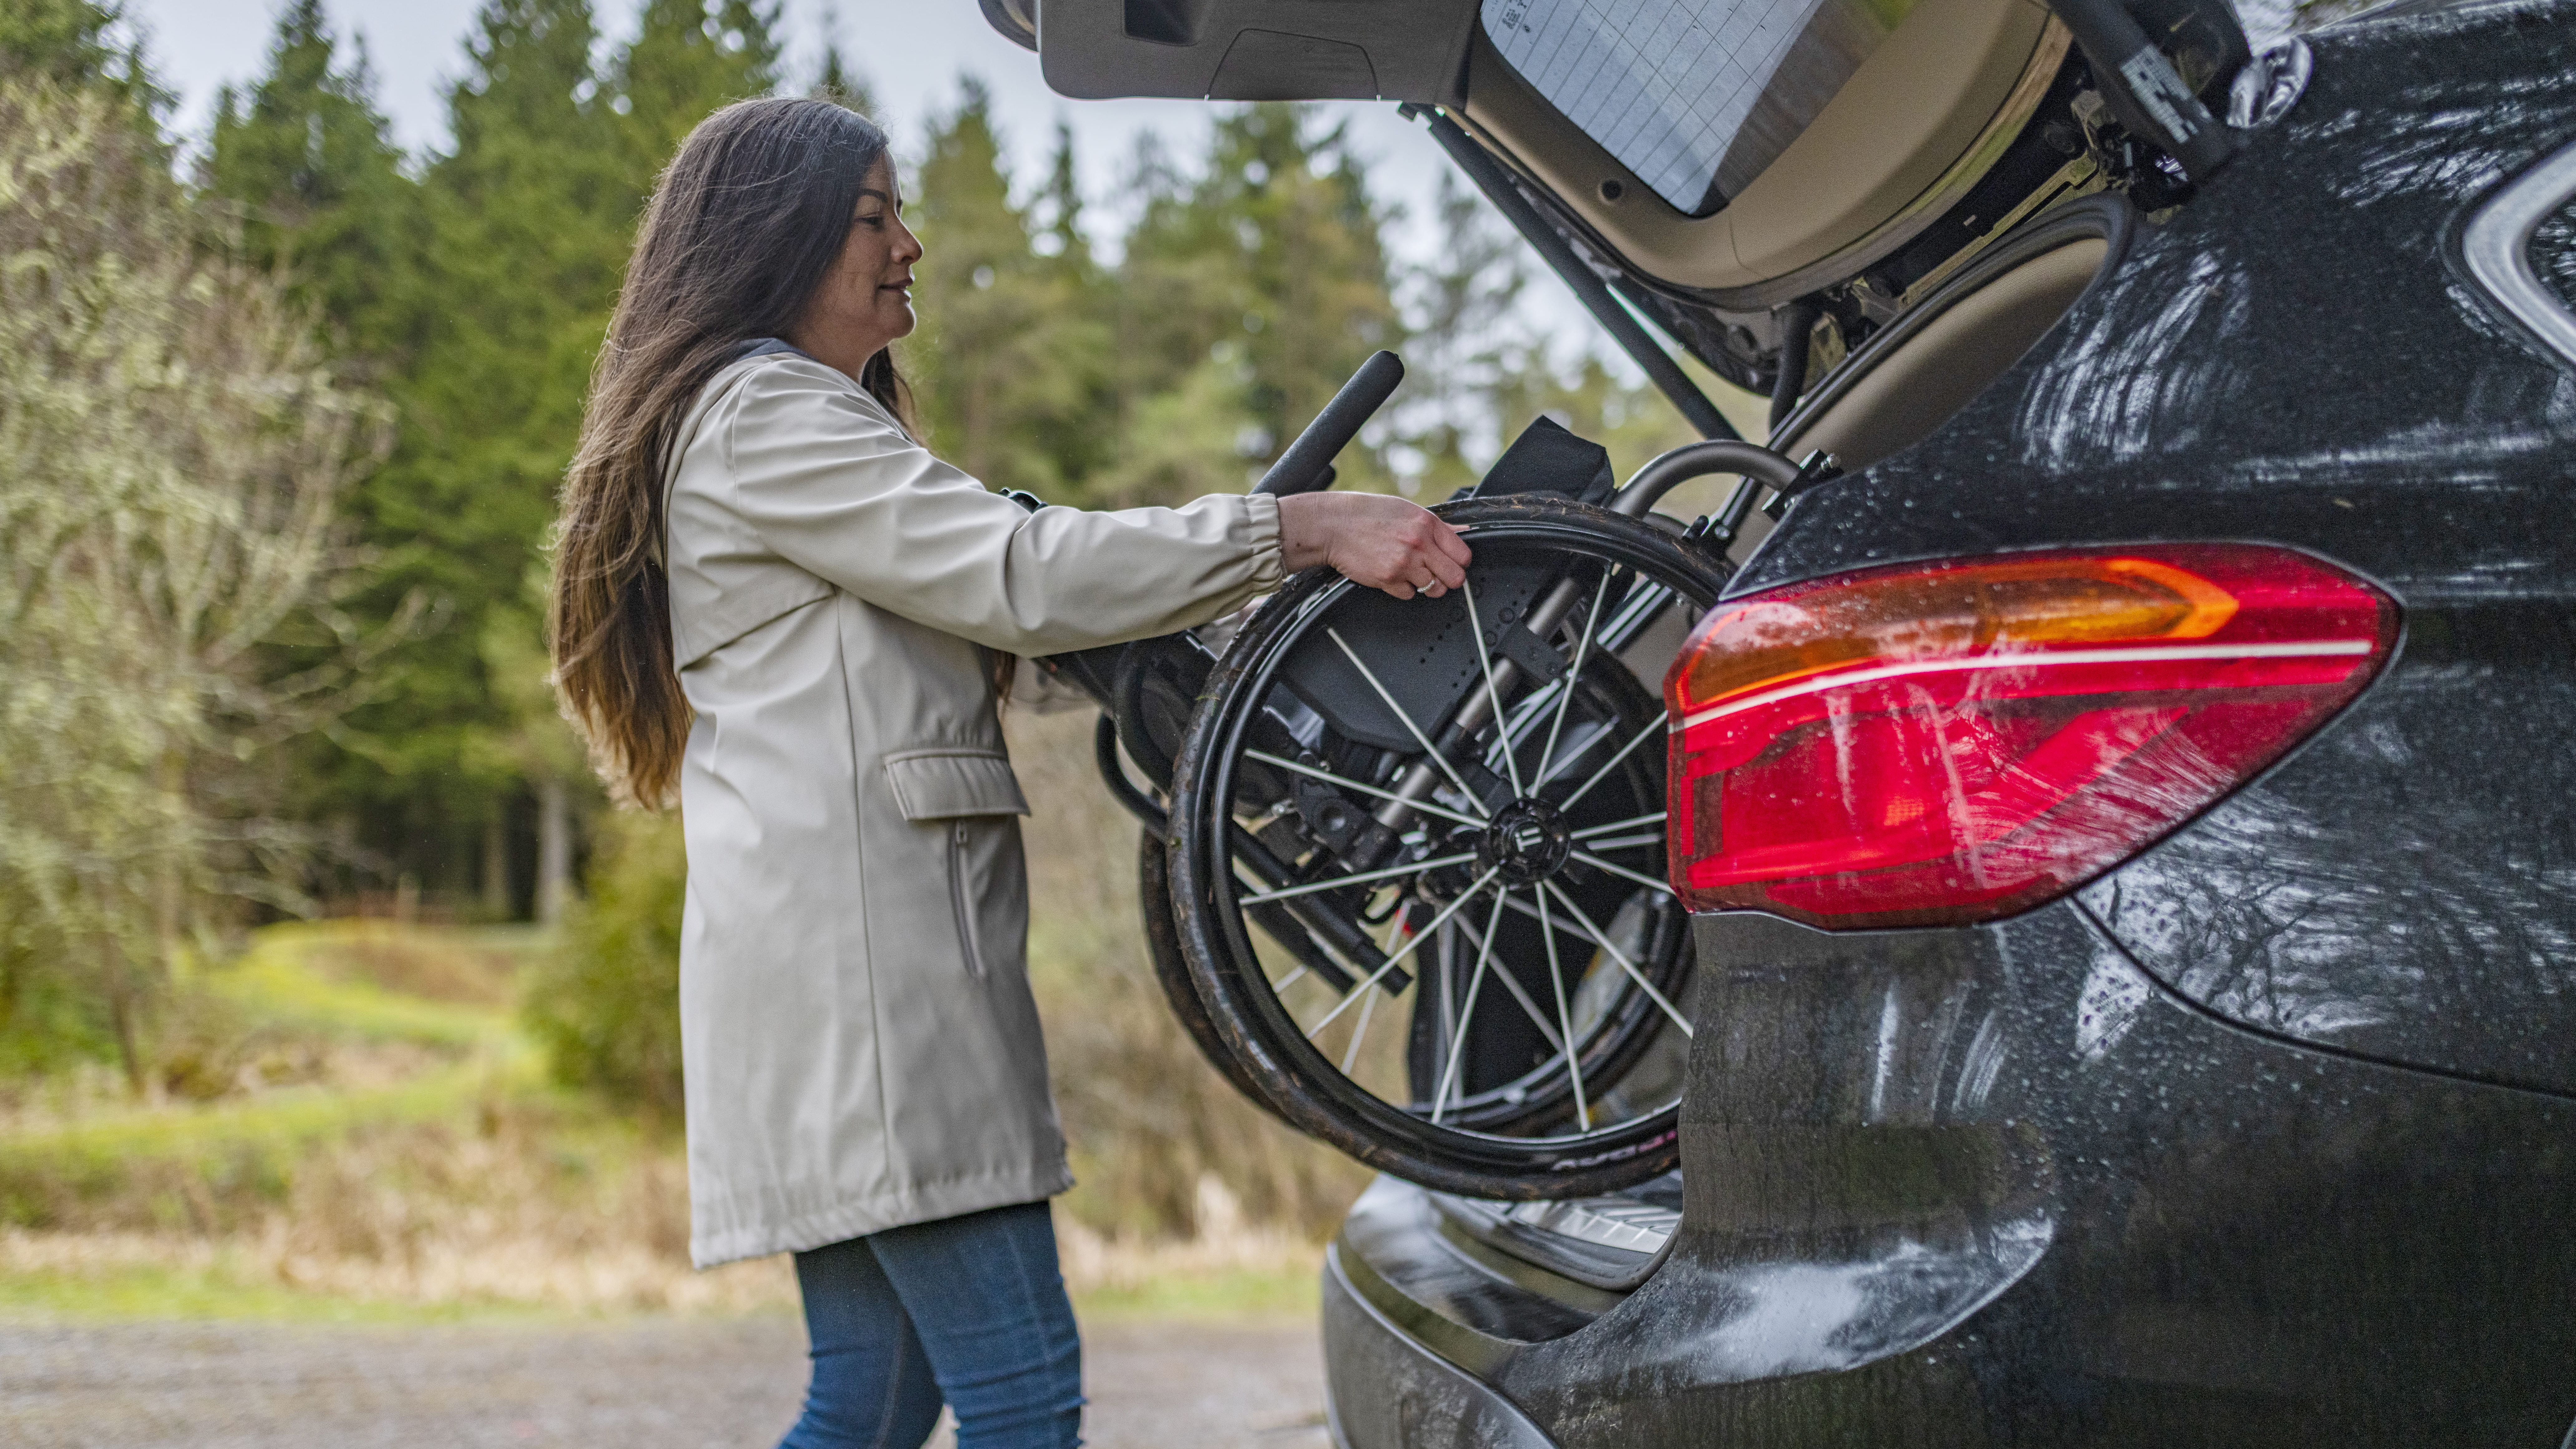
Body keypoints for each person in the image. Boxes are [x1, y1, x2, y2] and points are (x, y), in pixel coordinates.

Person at [548, 96, 1469, 1449]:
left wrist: (1194, 603)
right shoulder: (764, 413)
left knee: (869, 1404)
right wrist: (1303, 529)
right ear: (776, 236)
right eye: (874, 216)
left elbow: (988, 631)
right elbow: (1018, 576)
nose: (908, 244)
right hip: (870, 985)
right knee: (1020, 1402)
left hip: (831, 966)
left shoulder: (772, 420)